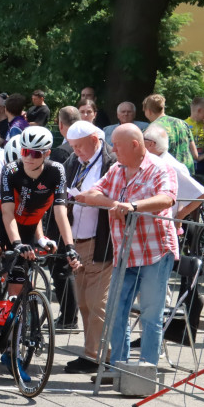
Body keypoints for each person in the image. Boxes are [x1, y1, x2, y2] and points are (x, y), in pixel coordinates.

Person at [0, 126, 81, 378]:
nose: (29, 157)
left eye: (35, 153)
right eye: (25, 151)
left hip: (30, 224)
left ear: (46, 153)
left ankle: (10, 350)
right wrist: (16, 243)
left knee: (17, 291)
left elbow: (60, 212)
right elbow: (8, 213)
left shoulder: (57, 171)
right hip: (3, 220)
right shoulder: (10, 170)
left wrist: (70, 247)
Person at [75, 124, 178, 371]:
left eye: (117, 145)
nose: (113, 150)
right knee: (115, 312)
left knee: (151, 316)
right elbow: (91, 193)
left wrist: (133, 206)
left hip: (154, 252)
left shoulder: (161, 168)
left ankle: (146, 370)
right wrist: (119, 204)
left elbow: (167, 198)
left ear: (134, 144)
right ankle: (118, 368)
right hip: (125, 253)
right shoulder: (117, 168)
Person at [59, 121, 118, 373]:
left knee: (97, 302)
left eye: (80, 146)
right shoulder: (73, 161)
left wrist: (92, 199)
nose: (76, 152)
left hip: (101, 241)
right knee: (83, 301)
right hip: (76, 241)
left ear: (95, 139)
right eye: (73, 147)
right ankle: (91, 352)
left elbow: (118, 200)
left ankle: (100, 356)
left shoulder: (111, 162)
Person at [143, 124, 204, 220]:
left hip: (166, 223)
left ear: (151, 144)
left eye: (143, 139)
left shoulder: (170, 165)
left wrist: (180, 216)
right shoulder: (159, 161)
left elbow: (201, 194)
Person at [142, 93, 195, 173]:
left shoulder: (151, 129)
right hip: (188, 170)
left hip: (168, 172)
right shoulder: (182, 123)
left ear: (148, 111)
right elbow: (194, 152)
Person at [184, 96, 204, 174]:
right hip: (187, 167)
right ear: (199, 110)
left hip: (202, 167)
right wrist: (196, 157)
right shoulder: (183, 124)